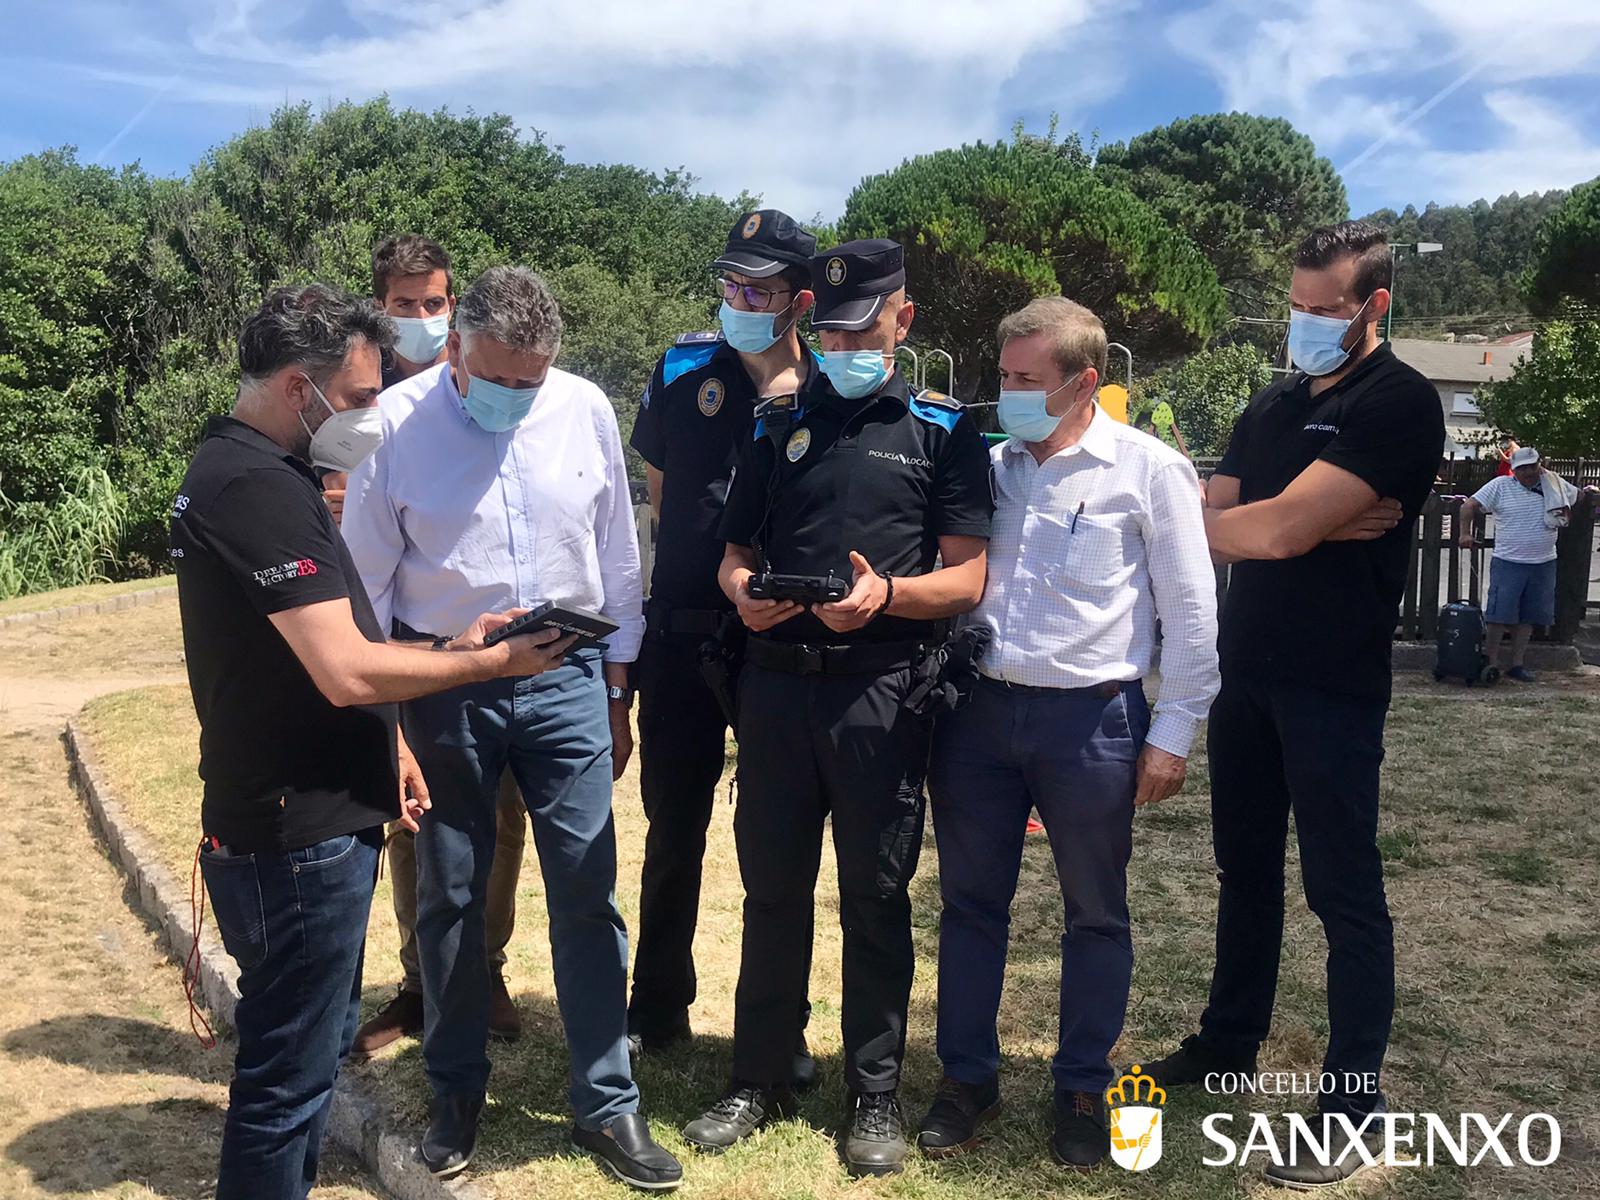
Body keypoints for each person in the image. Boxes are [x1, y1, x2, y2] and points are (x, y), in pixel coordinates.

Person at [171, 284, 573, 1200]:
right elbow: (346, 669)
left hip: (304, 818)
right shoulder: (254, 487)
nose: (368, 417)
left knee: (301, 1068)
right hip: (296, 839)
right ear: (293, 387)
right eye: (354, 400)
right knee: (288, 1079)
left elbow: (326, 646)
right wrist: (490, 664)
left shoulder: (252, 473)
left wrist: (436, 667)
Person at [339, 266, 681, 1190]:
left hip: (567, 674)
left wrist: (617, 688)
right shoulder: (395, 427)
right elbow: (366, 584)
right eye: (498, 380)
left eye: (532, 381)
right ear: (455, 347)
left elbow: (616, 546)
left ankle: (608, 1104)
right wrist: (392, 725)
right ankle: (455, 1096)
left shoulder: (583, 409)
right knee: (450, 897)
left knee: (587, 892)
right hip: (446, 681)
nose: (518, 399)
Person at [1134, 221, 1445, 1190]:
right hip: (1246, 674)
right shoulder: (1272, 404)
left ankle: (1354, 1107)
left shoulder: (1398, 402)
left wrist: (1277, 526)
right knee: (1243, 872)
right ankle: (1228, 1043)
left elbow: (1264, 533)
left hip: (1332, 685)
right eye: (1296, 307)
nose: (1303, 325)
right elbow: (1227, 523)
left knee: (1342, 894)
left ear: (1373, 307)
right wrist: (1283, 525)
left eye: (1324, 311)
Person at [682, 239, 992, 1177]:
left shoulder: (944, 430)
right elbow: (734, 554)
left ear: (904, 321)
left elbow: (970, 576)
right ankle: (764, 1071)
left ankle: (875, 1091)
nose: (846, 343)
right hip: (774, 688)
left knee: (876, 897)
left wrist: (887, 598)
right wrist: (742, 594)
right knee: (773, 892)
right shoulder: (777, 426)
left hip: (880, 696)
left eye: (864, 328)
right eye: (831, 330)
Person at [915, 297, 1220, 1169]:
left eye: (1025, 380)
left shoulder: (1149, 470)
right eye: (1002, 375)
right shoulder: (984, 466)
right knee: (971, 905)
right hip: (979, 713)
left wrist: (1174, 733)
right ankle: (965, 1079)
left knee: (1094, 913)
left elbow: (1194, 614)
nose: (1005, 393)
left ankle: (1082, 1082)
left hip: (1094, 719)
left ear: (1085, 383)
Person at [626, 209, 820, 1086]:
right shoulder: (678, 368)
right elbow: (667, 499)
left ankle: (781, 1028)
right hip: (679, 637)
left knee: (779, 848)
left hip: (780, 646)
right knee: (674, 830)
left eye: (762, 289)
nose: (740, 300)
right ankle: (655, 1008)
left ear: (799, 301)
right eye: (731, 283)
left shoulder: (830, 386)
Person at [345, 234, 530, 1056]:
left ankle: (483, 970)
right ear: (380, 310)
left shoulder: (495, 389)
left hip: (498, 647)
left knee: (503, 819)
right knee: (411, 823)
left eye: (434, 303)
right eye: (405, 305)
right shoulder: (358, 404)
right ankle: (420, 982)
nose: (422, 318)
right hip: (402, 646)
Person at [1459, 445, 1575, 681]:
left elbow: (1579, 496)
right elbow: (1468, 505)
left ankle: (1517, 664)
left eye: (1533, 466)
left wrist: (1566, 508)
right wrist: (1464, 533)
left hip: (1543, 561)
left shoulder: (1553, 484)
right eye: (1523, 468)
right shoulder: (1500, 486)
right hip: (1509, 560)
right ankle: (1491, 662)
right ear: (1514, 469)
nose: (1529, 472)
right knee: (1499, 615)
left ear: (1539, 465)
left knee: (1527, 616)